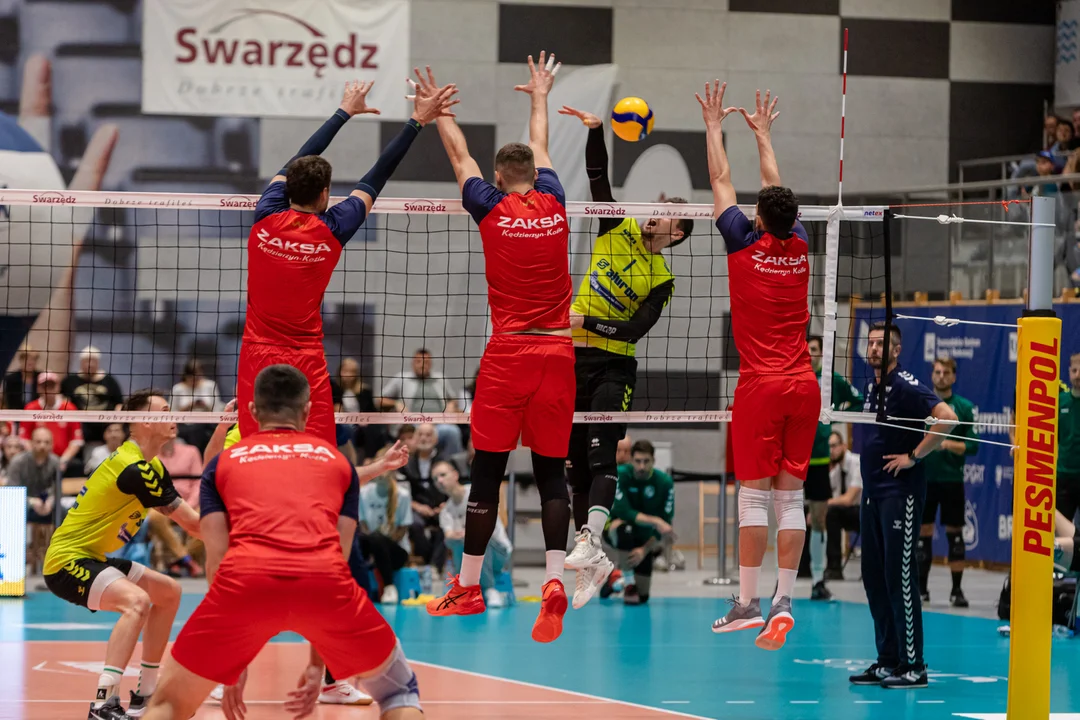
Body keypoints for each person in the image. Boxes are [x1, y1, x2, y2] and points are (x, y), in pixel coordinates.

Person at [143, 365, 419, 720]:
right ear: (308, 410)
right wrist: (317, 666)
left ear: (252, 410)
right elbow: (339, 557)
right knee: (398, 694)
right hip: (323, 584)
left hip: (243, 584)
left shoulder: (222, 464)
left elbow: (216, 560)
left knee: (168, 704)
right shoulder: (338, 463)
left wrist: (232, 660)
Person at [422, 56, 574, 644]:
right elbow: (541, 143)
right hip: (558, 355)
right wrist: (540, 95)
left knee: (487, 471)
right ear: (535, 173)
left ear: (497, 175)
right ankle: (554, 578)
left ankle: (467, 586)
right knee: (552, 473)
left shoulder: (488, 205)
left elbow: (458, 156)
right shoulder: (555, 200)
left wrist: (439, 113)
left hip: (509, 354)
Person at [236, 79, 457, 447]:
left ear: (287, 186)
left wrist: (344, 112)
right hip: (306, 356)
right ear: (325, 194)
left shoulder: (266, 212)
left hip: (256, 350)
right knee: (318, 448)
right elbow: (378, 174)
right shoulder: (334, 228)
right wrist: (417, 121)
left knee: (257, 444)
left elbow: (302, 157)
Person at [556, 105, 693, 608]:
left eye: (669, 212)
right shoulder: (615, 228)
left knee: (600, 455)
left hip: (614, 366)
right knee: (573, 466)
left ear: (677, 234)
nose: (658, 210)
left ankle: (592, 541)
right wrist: (596, 131)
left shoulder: (663, 279)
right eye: (661, 205)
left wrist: (588, 323)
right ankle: (590, 556)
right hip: (572, 361)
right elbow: (598, 177)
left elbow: (635, 330)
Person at [702, 84, 818, 650]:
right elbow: (772, 189)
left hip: (761, 387)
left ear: (758, 217)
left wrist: (712, 126)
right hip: (804, 386)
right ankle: (783, 601)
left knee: (752, 498)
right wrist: (764, 135)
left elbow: (720, 179)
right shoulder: (801, 244)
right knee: (789, 500)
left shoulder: (741, 244)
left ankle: (747, 603)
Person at [42, 389, 201, 720]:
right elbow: (194, 524)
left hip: (93, 557)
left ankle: (146, 693)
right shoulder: (134, 469)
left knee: (169, 592)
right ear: (144, 421)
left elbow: (195, 523)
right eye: (164, 412)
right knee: (137, 602)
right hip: (66, 561)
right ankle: (103, 702)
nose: (173, 417)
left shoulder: (152, 466)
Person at [849, 322, 956, 690]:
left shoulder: (906, 384)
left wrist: (913, 456)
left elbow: (948, 418)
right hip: (872, 494)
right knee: (874, 578)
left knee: (900, 578)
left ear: (896, 350)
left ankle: (914, 665)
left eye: (882, 344)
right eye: (871, 343)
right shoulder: (871, 387)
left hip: (900, 494)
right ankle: (888, 660)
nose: (874, 349)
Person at [806, 335, 863, 601]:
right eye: (806, 349)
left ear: (821, 352)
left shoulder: (831, 381)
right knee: (788, 520)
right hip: (792, 459)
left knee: (819, 519)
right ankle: (782, 582)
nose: (809, 353)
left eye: (813, 349)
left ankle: (818, 580)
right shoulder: (793, 377)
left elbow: (859, 400)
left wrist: (837, 413)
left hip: (818, 459)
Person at [919, 356, 978, 608]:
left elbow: (973, 446)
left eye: (946, 373)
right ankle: (921, 589)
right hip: (925, 479)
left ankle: (956, 591)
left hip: (952, 481)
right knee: (923, 535)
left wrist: (944, 443)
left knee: (955, 536)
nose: (941, 376)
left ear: (954, 376)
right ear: (932, 375)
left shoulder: (963, 407)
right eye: (937, 372)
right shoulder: (922, 403)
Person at [601, 440, 674, 605]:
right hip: (616, 529)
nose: (642, 466)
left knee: (642, 596)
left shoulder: (665, 483)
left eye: (646, 461)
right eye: (638, 461)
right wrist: (655, 520)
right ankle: (628, 582)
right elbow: (623, 511)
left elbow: (665, 524)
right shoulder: (620, 474)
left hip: (644, 537)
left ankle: (616, 580)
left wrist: (644, 550)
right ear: (631, 460)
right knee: (624, 528)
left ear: (654, 461)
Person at [433, 459, 512, 608]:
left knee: (477, 538)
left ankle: (489, 589)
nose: (439, 481)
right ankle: (465, 588)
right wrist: (456, 536)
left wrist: (465, 534)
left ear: (455, 475)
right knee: (453, 542)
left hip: (498, 552)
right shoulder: (445, 511)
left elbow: (487, 527)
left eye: (443, 475)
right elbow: (449, 536)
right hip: (470, 555)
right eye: (435, 478)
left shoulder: (476, 493)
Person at [359, 450, 414, 604]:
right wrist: (375, 546)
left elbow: (402, 530)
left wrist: (381, 546)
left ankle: (389, 587)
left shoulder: (402, 495)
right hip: (371, 550)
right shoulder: (363, 493)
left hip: (396, 553)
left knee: (377, 538)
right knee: (360, 540)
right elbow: (363, 526)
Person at [7, 427, 60, 573]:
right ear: (31, 443)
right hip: (24, 504)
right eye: (38, 441)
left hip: (48, 506)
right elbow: (11, 491)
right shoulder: (18, 462)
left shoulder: (55, 462)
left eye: (46, 442)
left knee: (68, 511)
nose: (42, 445)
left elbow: (57, 489)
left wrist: (50, 501)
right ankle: (15, 559)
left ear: (52, 444)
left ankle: (61, 559)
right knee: (13, 508)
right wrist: (32, 502)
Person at [20, 371, 84, 475]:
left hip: (64, 460)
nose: (48, 390)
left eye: (51, 386)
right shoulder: (30, 408)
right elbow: (24, 439)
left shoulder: (69, 408)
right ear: (38, 388)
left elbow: (76, 441)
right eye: (44, 386)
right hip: (36, 459)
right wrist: (36, 458)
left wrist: (63, 461)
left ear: (58, 387)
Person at [61, 345, 125, 445]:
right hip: (79, 426)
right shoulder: (70, 381)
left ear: (98, 362)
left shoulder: (109, 381)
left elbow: (119, 404)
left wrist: (116, 423)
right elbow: (63, 403)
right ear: (81, 362)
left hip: (105, 426)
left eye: (93, 361)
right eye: (87, 361)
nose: (90, 364)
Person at [825, 431, 861, 580]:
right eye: (828, 447)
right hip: (849, 513)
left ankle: (834, 567)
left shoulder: (857, 463)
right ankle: (806, 568)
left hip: (866, 512)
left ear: (844, 446)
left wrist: (823, 504)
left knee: (831, 512)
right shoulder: (837, 470)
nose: (831, 450)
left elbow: (849, 499)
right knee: (812, 512)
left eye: (834, 446)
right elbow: (828, 495)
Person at [1058, 352, 1080, 524]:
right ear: (1069, 372)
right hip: (1064, 476)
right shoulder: (1060, 402)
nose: (1078, 375)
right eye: (1074, 371)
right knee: (1060, 530)